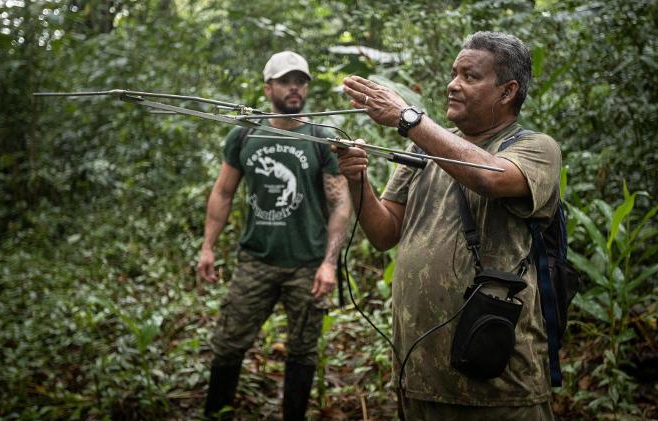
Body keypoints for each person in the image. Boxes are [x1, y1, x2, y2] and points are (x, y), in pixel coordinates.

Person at [335, 32, 561, 420]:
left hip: (498, 385)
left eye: (469, 76)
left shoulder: (536, 149)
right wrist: (358, 181)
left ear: (507, 92)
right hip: (420, 376)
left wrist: (409, 118)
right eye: (454, 74)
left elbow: (488, 178)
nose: (453, 85)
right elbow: (384, 233)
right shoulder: (421, 147)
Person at [198, 51, 351, 420]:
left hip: (307, 265)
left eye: (300, 80)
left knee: (302, 351)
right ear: (268, 87)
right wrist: (207, 247)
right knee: (228, 345)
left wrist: (329, 264)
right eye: (285, 80)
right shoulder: (245, 133)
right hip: (256, 260)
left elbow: (340, 203)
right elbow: (222, 193)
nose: (295, 87)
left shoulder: (320, 136)